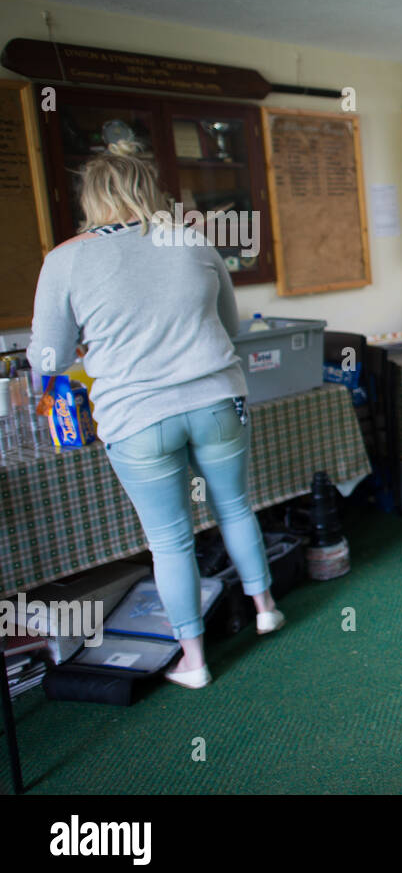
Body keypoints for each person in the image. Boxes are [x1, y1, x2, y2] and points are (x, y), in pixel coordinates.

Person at [27, 140, 283, 689]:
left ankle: (194, 659)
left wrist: (78, 350)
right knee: (234, 506)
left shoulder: (65, 258)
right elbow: (231, 326)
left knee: (170, 541)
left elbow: (46, 358)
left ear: (91, 199)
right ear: (151, 190)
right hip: (216, 398)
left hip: (137, 417)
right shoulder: (190, 239)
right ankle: (264, 606)